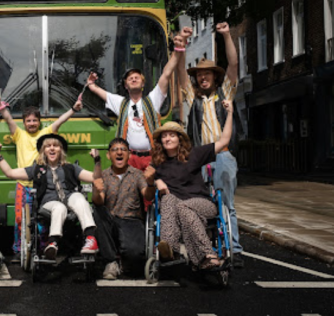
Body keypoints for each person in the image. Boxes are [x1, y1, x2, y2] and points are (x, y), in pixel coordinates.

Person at [176, 22, 244, 268]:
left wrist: (226, 35)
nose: (202, 77)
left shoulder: (225, 94)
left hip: (223, 155)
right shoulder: (192, 98)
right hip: (198, 157)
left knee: (227, 204)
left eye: (207, 74)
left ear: (216, 77)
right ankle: (205, 249)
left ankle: (234, 249)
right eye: (199, 75)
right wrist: (181, 45)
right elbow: (181, 74)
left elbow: (234, 66)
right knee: (199, 204)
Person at [144, 99, 233, 270]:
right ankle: (170, 249)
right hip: (178, 208)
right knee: (168, 200)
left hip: (202, 203)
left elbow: (224, 141)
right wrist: (155, 180)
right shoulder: (157, 162)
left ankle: (207, 254)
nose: (167, 138)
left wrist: (230, 113)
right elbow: (147, 182)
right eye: (164, 135)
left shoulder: (195, 154)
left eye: (171, 135)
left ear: (179, 138)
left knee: (183, 208)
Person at [0, 95, 83, 261]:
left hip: (41, 184)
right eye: (28, 121)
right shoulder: (19, 134)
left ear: (39, 122)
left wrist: (74, 110)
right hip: (23, 184)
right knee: (20, 218)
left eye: (35, 120)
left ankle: (43, 248)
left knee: (41, 219)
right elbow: (8, 119)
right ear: (24, 123)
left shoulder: (46, 134)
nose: (32, 123)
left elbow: (59, 121)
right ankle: (19, 250)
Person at [0, 133, 101, 259]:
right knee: (59, 207)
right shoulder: (37, 169)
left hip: (70, 198)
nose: (52, 148)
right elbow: (10, 173)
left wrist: (97, 161)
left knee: (79, 198)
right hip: (49, 203)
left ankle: (90, 238)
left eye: (56, 145)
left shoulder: (71, 168)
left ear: (61, 150)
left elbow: (95, 178)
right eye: (48, 146)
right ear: (43, 151)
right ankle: (53, 241)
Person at [86, 41, 184, 171]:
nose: (133, 79)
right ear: (126, 86)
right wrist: (91, 84)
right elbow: (98, 91)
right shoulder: (121, 103)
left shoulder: (153, 100)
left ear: (143, 84)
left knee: (153, 188)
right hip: (129, 158)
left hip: (152, 157)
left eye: (137, 77)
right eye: (130, 78)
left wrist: (178, 50)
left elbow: (166, 74)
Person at [92, 138, 156, 280]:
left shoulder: (137, 174)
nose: (119, 152)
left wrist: (151, 184)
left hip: (131, 221)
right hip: (110, 221)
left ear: (129, 155)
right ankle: (111, 262)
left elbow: (148, 195)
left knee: (135, 255)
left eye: (123, 150)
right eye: (115, 150)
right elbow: (99, 201)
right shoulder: (104, 175)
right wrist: (96, 191)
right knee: (97, 210)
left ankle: (124, 259)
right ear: (109, 155)